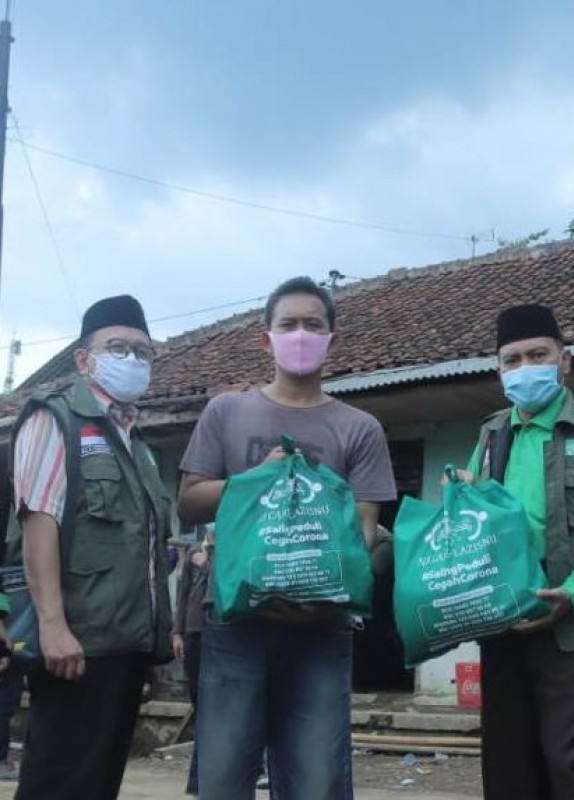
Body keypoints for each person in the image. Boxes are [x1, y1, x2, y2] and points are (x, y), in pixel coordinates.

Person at [177, 276, 396, 800]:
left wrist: (321, 595)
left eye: (313, 325)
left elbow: (365, 529)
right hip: (234, 622)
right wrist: (255, 481)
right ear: (266, 338)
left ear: (332, 339)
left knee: (318, 782)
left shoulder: (359, 427)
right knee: (224, 779)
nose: (301, 334)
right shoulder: (226, 412)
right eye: (289, 324)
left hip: (322, 630)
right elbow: (189, 501)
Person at [461, 304, 574, 800]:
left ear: (565, 361)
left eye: (538, 354)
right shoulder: (491, 434)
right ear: (499, 370)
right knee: (509, 771)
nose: (525, 367)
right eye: (512, 359)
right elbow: (473, 523)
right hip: (505, 627)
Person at [11, 294, 174, 800]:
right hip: (75, 645)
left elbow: (145, 551)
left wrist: (157, 641)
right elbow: (39, 521)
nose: (131, 360)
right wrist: (54, 626)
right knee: (58, 783)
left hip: (124, 647)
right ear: (84, 359)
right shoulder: (55, 420)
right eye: (117, 347)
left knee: (96, 785)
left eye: (142, 352)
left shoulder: (137, 444)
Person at [172, 529, 213, 798]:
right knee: (201, 706)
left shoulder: (228, 549)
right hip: (194, 633)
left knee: (215, 708)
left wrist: (208, 565)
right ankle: (197, 782)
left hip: (219, 633)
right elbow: (183, 593)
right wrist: (177, 632)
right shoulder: (192, 552)